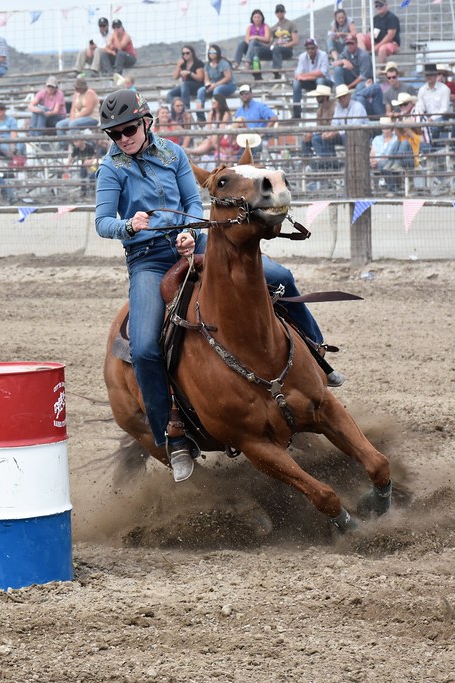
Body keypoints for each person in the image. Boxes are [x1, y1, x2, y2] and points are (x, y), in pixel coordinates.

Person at [94, 89, 342, 482]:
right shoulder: (111, 169)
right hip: (149, 261)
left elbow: (193, 201)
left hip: (197, 241)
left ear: (145, 123)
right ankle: (170, 433)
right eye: (114, 133)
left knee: (279, 277)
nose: (122, 138)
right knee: (142, 347)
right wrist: (129, 225)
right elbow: (102, 221)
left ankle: (318, 355)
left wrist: (191, 231)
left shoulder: (173, 154)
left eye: (128, 129)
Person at [313, 83, 367, 166]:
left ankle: (348, 164)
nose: (342, 99)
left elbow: (355, 127)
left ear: (349, 96)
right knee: (323, 138)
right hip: (343, 134)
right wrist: (329, 133)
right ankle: (331, 164)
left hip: (357, 135)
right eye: (340, 97)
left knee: (348, 136)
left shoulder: (357, 107)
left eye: (344, 96)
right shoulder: (338, 107)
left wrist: (334, 132)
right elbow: (334, 124)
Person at [183, 94, 239, 168]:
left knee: (211, 140)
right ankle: (192, 152)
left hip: (223, 137)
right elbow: (208, 129)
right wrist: (210, 137)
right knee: (209, 141)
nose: (212, 103)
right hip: (213, 137)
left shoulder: (225, 113)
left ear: (219, 103)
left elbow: (222, 129)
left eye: (214, 102)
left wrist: (213, 138)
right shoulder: (211, 113)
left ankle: (191, 151)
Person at [291, 38, 333, 120]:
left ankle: (321, 110)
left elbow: (322, 73)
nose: (310, 50)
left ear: (317, 48)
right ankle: (296, 113)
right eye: (308, 48)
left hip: (325, 82)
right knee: (296, 83)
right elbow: (297, 75)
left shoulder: (323, 55)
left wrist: (304, 76)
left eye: (312, 48)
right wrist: (309, 76)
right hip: (310, 82)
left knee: (320, 81)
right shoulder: (302, 56)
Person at [196, 44, 236, 121]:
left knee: (217, 90)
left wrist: (214, 85)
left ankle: (217, 113)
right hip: (214, 85)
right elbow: (206, 79)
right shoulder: (207, 65)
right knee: (201, 90)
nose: (212, 53)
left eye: (214, 51)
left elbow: (228, 77)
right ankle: (200, 116)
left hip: (228, 85)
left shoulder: (223, 63)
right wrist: (208, 85)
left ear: (218, 52)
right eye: (210, 52)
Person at [414, 64, 452, 143]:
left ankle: (429, 146)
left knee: (432, 127)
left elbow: (444, 109)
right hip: (427, 118)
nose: (429, 77)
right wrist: (420, 117)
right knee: (418, 126)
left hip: (442, 117)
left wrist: (431, 118)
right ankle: (427, 146)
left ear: (435, 75)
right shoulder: (422, 89)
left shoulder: (444, 89)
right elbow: (420, 106)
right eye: (427, 75)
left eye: (431, 74)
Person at [233, 9, 273, 79]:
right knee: (242, 43)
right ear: (252, 18)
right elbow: (247, 41)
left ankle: (248, 63)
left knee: (254, 42)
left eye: (258, 17)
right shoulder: (249, 28)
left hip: (264, 48)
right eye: (255, 17)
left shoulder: (265, 26)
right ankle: (236, 63)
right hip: (252, 49)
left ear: (262, 18)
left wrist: (256, 37)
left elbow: (267, 39)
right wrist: (252, 41)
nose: (257, 19)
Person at [166, 46, 205, 113]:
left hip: (197, 86)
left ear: (192, 53)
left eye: (187, 53)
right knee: (170, 94)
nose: (185, 55)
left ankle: (186, 110)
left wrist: (190, 73)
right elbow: (175, 77)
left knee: (185, 84)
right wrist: (178, 65)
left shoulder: (198, 63)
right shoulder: (183, 64)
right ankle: (178, 108)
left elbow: (200, 78)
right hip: (185, 87)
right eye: (183, 53)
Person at [369, 117, 403, 194]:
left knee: (383, 164)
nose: (385, 129)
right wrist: (372, 160)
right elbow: (372, 152)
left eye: (387, 126)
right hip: (377, 161)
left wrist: (378, 160)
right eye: (383, 126)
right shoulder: (377, 139)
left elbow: (393, 154)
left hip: (390, 161)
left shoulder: (396, 138)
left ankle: (391, 189)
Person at [270, 4, 300, 77]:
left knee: (277, 49)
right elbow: (270, 41)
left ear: (284, 12)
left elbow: (295, 41)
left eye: (281, 11)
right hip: (276, 50)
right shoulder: (273, 27)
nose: (279, 13)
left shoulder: (291, 24)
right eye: (278, 11)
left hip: (287, 50)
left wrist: (284, 45)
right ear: (275, 13)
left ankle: (276, 72)